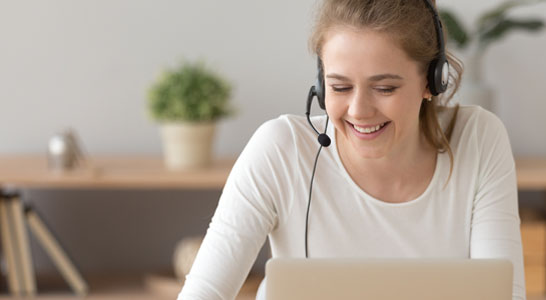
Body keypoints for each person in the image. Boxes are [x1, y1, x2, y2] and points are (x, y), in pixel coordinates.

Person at [177, 0, 526, 299]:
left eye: (385, 87)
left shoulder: (479, 140)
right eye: (340, 87)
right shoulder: (280, 150)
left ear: (431, 80)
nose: (359, 110)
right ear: (320, 83)